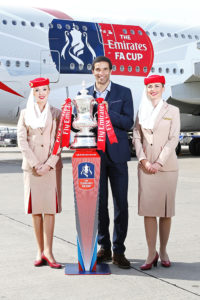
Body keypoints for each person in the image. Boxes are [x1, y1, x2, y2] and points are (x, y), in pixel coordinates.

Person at [86, 56, 134, 269]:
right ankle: (103, 247)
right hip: (94, 155)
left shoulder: (124, 92)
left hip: (118, 155)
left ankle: (119, 250)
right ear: (93, 71)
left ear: (111, 71)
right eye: (97, 69)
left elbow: (128, 122)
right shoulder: (85, 94)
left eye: (105, 69)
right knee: (100, 206)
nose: (101, 73)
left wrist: (107, 111)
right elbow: (78, 126)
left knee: (121, 204)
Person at [133, 74, 180, 270]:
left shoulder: (173, 110)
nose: (153, 89)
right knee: (149, 212)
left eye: (157, 86)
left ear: (163, 88)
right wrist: (143, 159)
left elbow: (173, 138)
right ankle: (151, 252)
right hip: (146, 167)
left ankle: (164, 250)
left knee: (166, 212)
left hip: (166, 167)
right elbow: (136, 135)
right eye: (150, 86)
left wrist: (159, 163)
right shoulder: (142, 110)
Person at [17, 77, 62, 269]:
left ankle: (49, 252)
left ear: (49, 91)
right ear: (33, 93)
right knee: (36, 211)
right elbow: (22, 141)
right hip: (33, 168)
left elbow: (61, 140)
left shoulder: (57, 113)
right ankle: (39, 250)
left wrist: (49, 164)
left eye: (44, 90)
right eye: (37, 90)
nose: (41, 93)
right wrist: (37, 164)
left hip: (51, 168)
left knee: (50, 211)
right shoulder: (25, 114)